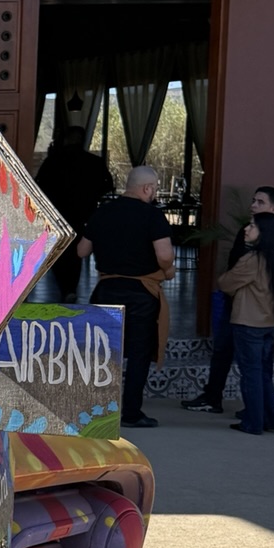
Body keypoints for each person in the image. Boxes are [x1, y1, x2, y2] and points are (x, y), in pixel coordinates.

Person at [183, 186, 274, 413]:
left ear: (273, 208)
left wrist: (272, 296)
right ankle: (214, 397)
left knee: (258, 364)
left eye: (260, 202)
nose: (253, 205)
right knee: (223, 351)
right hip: (238, 305)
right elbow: (234, 268)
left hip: (265, 313)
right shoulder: (246, 232)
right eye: (253, 200)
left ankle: (257, 412)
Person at [76, 164, 174, 429]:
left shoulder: (103, 212)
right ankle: (131, 412)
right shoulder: (152, 216)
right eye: (153, 189)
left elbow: (82, 251)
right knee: (139, 353)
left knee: (102, 353)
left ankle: (95, 411)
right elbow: (164, 255)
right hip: (141, 293)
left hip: (106, 289)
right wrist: (167, 270)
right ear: (147, 188)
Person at [217, 211, 274, 434]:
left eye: (252, 226)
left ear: (264, 233)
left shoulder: (253, 260)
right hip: (271, 323)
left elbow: (225, 283)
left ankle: (253, 422)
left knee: (250, 374)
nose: (246, 229)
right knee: (261, 373)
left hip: (248, 323)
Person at [34, 125, 116, 300]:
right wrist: (89, 196)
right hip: (83, 215)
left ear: (66, 139)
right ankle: (71, 287)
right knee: (76, 253)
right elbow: (108, 185)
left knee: (57, 252)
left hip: (56, 215)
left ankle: (65, 288)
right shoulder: (94, 162)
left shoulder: (54, 160)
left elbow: (38, 186)